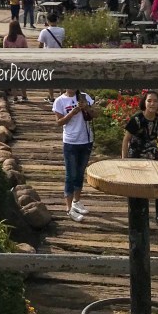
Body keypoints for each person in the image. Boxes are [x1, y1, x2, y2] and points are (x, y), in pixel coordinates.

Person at [121, 91, 158, 232]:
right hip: (136, 158)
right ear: (144, 102)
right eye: (149, 101)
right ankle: (136, 216)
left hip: (153, 157)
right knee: (136, 188)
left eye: (155, 101)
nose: (152, 104)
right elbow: (126, 140)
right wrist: (124, 160)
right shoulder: (136, 119)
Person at [53, 88, 96, 222]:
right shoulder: (60, 101)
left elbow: (95, 114)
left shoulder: (84, 96)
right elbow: (59, 122)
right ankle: (68, 208)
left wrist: (87, 107)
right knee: (70, 175)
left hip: (86, 140)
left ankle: (76, 201)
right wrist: (72, 113)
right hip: (71, 142)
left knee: (80, 173)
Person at [37, 13, 64, 101]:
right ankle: (62, 94)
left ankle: (51, 97)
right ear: (57, 20)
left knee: (49, 76)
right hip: (59, 55)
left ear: (47, 21)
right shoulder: (62, 30)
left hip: (48, 55)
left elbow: (40, 44)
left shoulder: (44, 32)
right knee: (60, 75)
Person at [3, 19, 29, 101]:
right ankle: (24, 96)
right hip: (21, 60)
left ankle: (15, 97)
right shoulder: (22, 38)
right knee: (22, 78)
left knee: (13, 78)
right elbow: (26, 49)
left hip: (11, 61)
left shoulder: (6, 38)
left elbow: (4, 51)